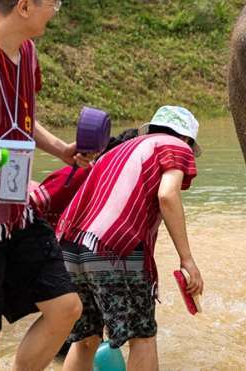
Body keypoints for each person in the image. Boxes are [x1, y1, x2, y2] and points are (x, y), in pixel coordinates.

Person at [0, 0, 88, 371]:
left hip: (17, 212)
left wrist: (59, 149)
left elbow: (22, 118)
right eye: (51, 4)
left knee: (65, 307)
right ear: (24, 7)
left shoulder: (28, 53)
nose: (54, 12)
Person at [58, 106, 204, 371]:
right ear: (187, 140)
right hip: (112, 249)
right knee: (143, 338)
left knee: (86, 340)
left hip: (71, 247)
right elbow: (167, 195)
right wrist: (187, 260)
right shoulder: (176, 146)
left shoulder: (117, 150)